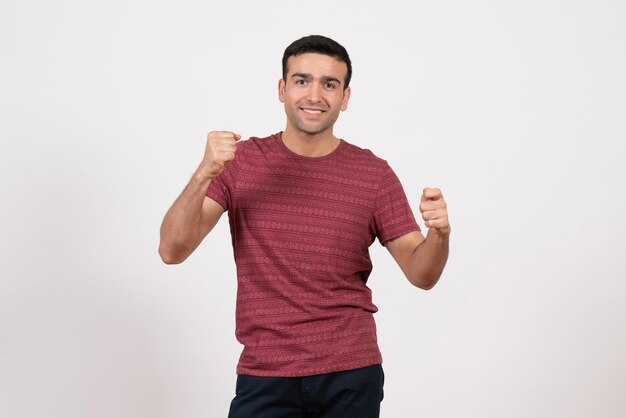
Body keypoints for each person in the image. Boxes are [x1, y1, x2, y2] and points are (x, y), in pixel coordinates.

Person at [159, 35, 450, 418]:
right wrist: (204, 172)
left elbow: (421, 273)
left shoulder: (372, 174)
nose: (315, 94)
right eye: (302, 80)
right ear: (282, 89)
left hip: (350, 370)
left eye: (329, 84)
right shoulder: (241, 163)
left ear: (345, 97)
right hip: (267, 373)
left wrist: (439, 235)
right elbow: (172, 250)